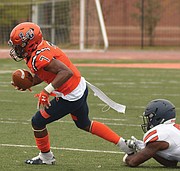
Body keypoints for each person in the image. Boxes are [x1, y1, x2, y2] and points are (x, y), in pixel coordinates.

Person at [8, 22, 133, 165]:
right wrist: (29, 83)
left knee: (37, 122)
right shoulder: (37, 52)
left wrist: (46, 91)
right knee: (84, 124)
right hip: (79, 87)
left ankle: (46, 157)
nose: (15, 49)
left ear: (30, 43)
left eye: (19, 45)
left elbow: (66, 72)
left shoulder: (40, 56)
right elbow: (45, 74)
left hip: (70, 95)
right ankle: (125, 145)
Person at [123, 99, 180, 167]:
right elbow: (171, 163)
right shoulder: (174, 129)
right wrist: (146, 148)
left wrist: (128, 157)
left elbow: (133, 162)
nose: (148, 121)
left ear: (158, 117)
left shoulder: (159, 134)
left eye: (149, 118)